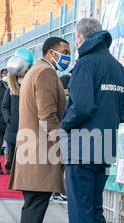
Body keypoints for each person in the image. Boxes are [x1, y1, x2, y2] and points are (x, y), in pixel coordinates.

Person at [58, 18, 124, 223]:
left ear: (79, 38)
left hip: (82, 148)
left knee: (80, 214)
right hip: (104, 148)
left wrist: (64, 124)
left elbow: (83, 105)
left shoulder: (86, 64)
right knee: (95, 212)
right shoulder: (117, 67)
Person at [8, 37, 70, 223]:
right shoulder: (45, 72)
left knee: (33, 213)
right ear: (50, 52)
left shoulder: (38, 71)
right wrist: (62, 145)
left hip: (33, 154)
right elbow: (48, 115)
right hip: (39, 156)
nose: (67, 56)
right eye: (64, 51)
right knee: (33, 215)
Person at [1, 48, 34, 175]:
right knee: (11, 152)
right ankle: (10, 168)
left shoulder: (32, 84)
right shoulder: (11, 88)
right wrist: (9, 119)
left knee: (24, 155)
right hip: (13, 126)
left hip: (27, 127)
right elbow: (4, 106)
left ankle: (20, 173)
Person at [51, 74, 72, 205]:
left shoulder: (57, 97)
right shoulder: (67, 100)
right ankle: (57, 192)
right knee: (60, 166)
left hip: (57, 134)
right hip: (62, 135)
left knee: (58, 165)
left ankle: (56, 192)